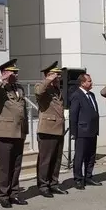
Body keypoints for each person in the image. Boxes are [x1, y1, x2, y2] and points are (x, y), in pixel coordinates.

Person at [0, 59, 28, 208]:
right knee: (5, 166)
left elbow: (23, 110)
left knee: (17, 166)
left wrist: (25, 130)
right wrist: (1, 79)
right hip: (5, 133)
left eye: (16, 72)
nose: (16, 75)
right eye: (13, 72)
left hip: (19, 132)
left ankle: (14, 194)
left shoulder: (19, 88)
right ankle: (4, 195)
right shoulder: (0, 88)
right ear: (5, 73)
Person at [34, 61, 68, 198]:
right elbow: (38, 91)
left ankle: (53, 183)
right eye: (56, 75)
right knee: (45, 160)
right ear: (49, 75)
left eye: (59, 76)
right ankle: (43, 185)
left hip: (59, 128)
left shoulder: (57, 90)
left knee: (56, 159)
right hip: (47, 129)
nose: (58, 78)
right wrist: (48, 79)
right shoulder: (42, 87)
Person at [69, 73, 101, 190]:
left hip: (92, 130)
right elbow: (73, 115)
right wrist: (74, 132)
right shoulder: (76, 95)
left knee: (91, 155)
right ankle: (78, 179)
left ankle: (88, 176)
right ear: (82, 83)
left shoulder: (91, 95)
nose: (91, 83)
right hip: (82, 131)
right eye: (89, 81)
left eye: (91, 81)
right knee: (80, 156)